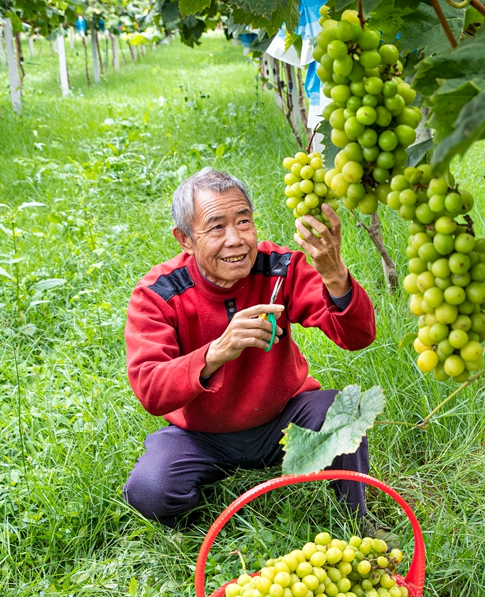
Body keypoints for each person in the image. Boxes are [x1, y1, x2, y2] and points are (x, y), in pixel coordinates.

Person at [122, 167, 376, 528]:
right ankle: (199, 515)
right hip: (200, 436)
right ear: (185, 239)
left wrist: (334, 274)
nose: (236, 239)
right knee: (149, 490)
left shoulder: (280, 267)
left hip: (283, 422)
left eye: (244, 221)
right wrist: (215, 353)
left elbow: (357, 337)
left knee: (342, 413)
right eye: (216, 227)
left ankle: (356, 520)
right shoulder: (159, 293)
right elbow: (150, 388)